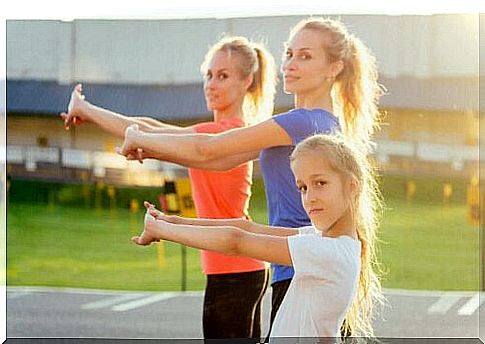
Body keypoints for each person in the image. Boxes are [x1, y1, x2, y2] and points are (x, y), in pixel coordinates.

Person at [116, 17, 385, 333]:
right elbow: (219, 161)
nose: (290, 64)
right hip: (298, 266)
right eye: (288, 53)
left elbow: (210, 150)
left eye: (305, 56)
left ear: (334, 68)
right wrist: (167, 209)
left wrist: (140, 140)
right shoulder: (324, 124)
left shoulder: (302, 122)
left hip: (299, 267)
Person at [60, 36, 278, 340]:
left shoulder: (225, 133)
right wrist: (89, 111)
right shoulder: (219, 135)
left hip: (233, 270)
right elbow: (151, 127)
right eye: (209, 75)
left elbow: (149, 131)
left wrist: (87, 109)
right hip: (240, 267)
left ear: (247, 81)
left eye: (223, 76)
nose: (211, 84)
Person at [133, 134, 385, 341]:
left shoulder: (328, 253)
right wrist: (171, 221)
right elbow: (247, 228)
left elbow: (236, 241)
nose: (309, 198)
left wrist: (161, 231)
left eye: (320, 183)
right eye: (303, 187)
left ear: (352, 186)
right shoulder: (325, 242)